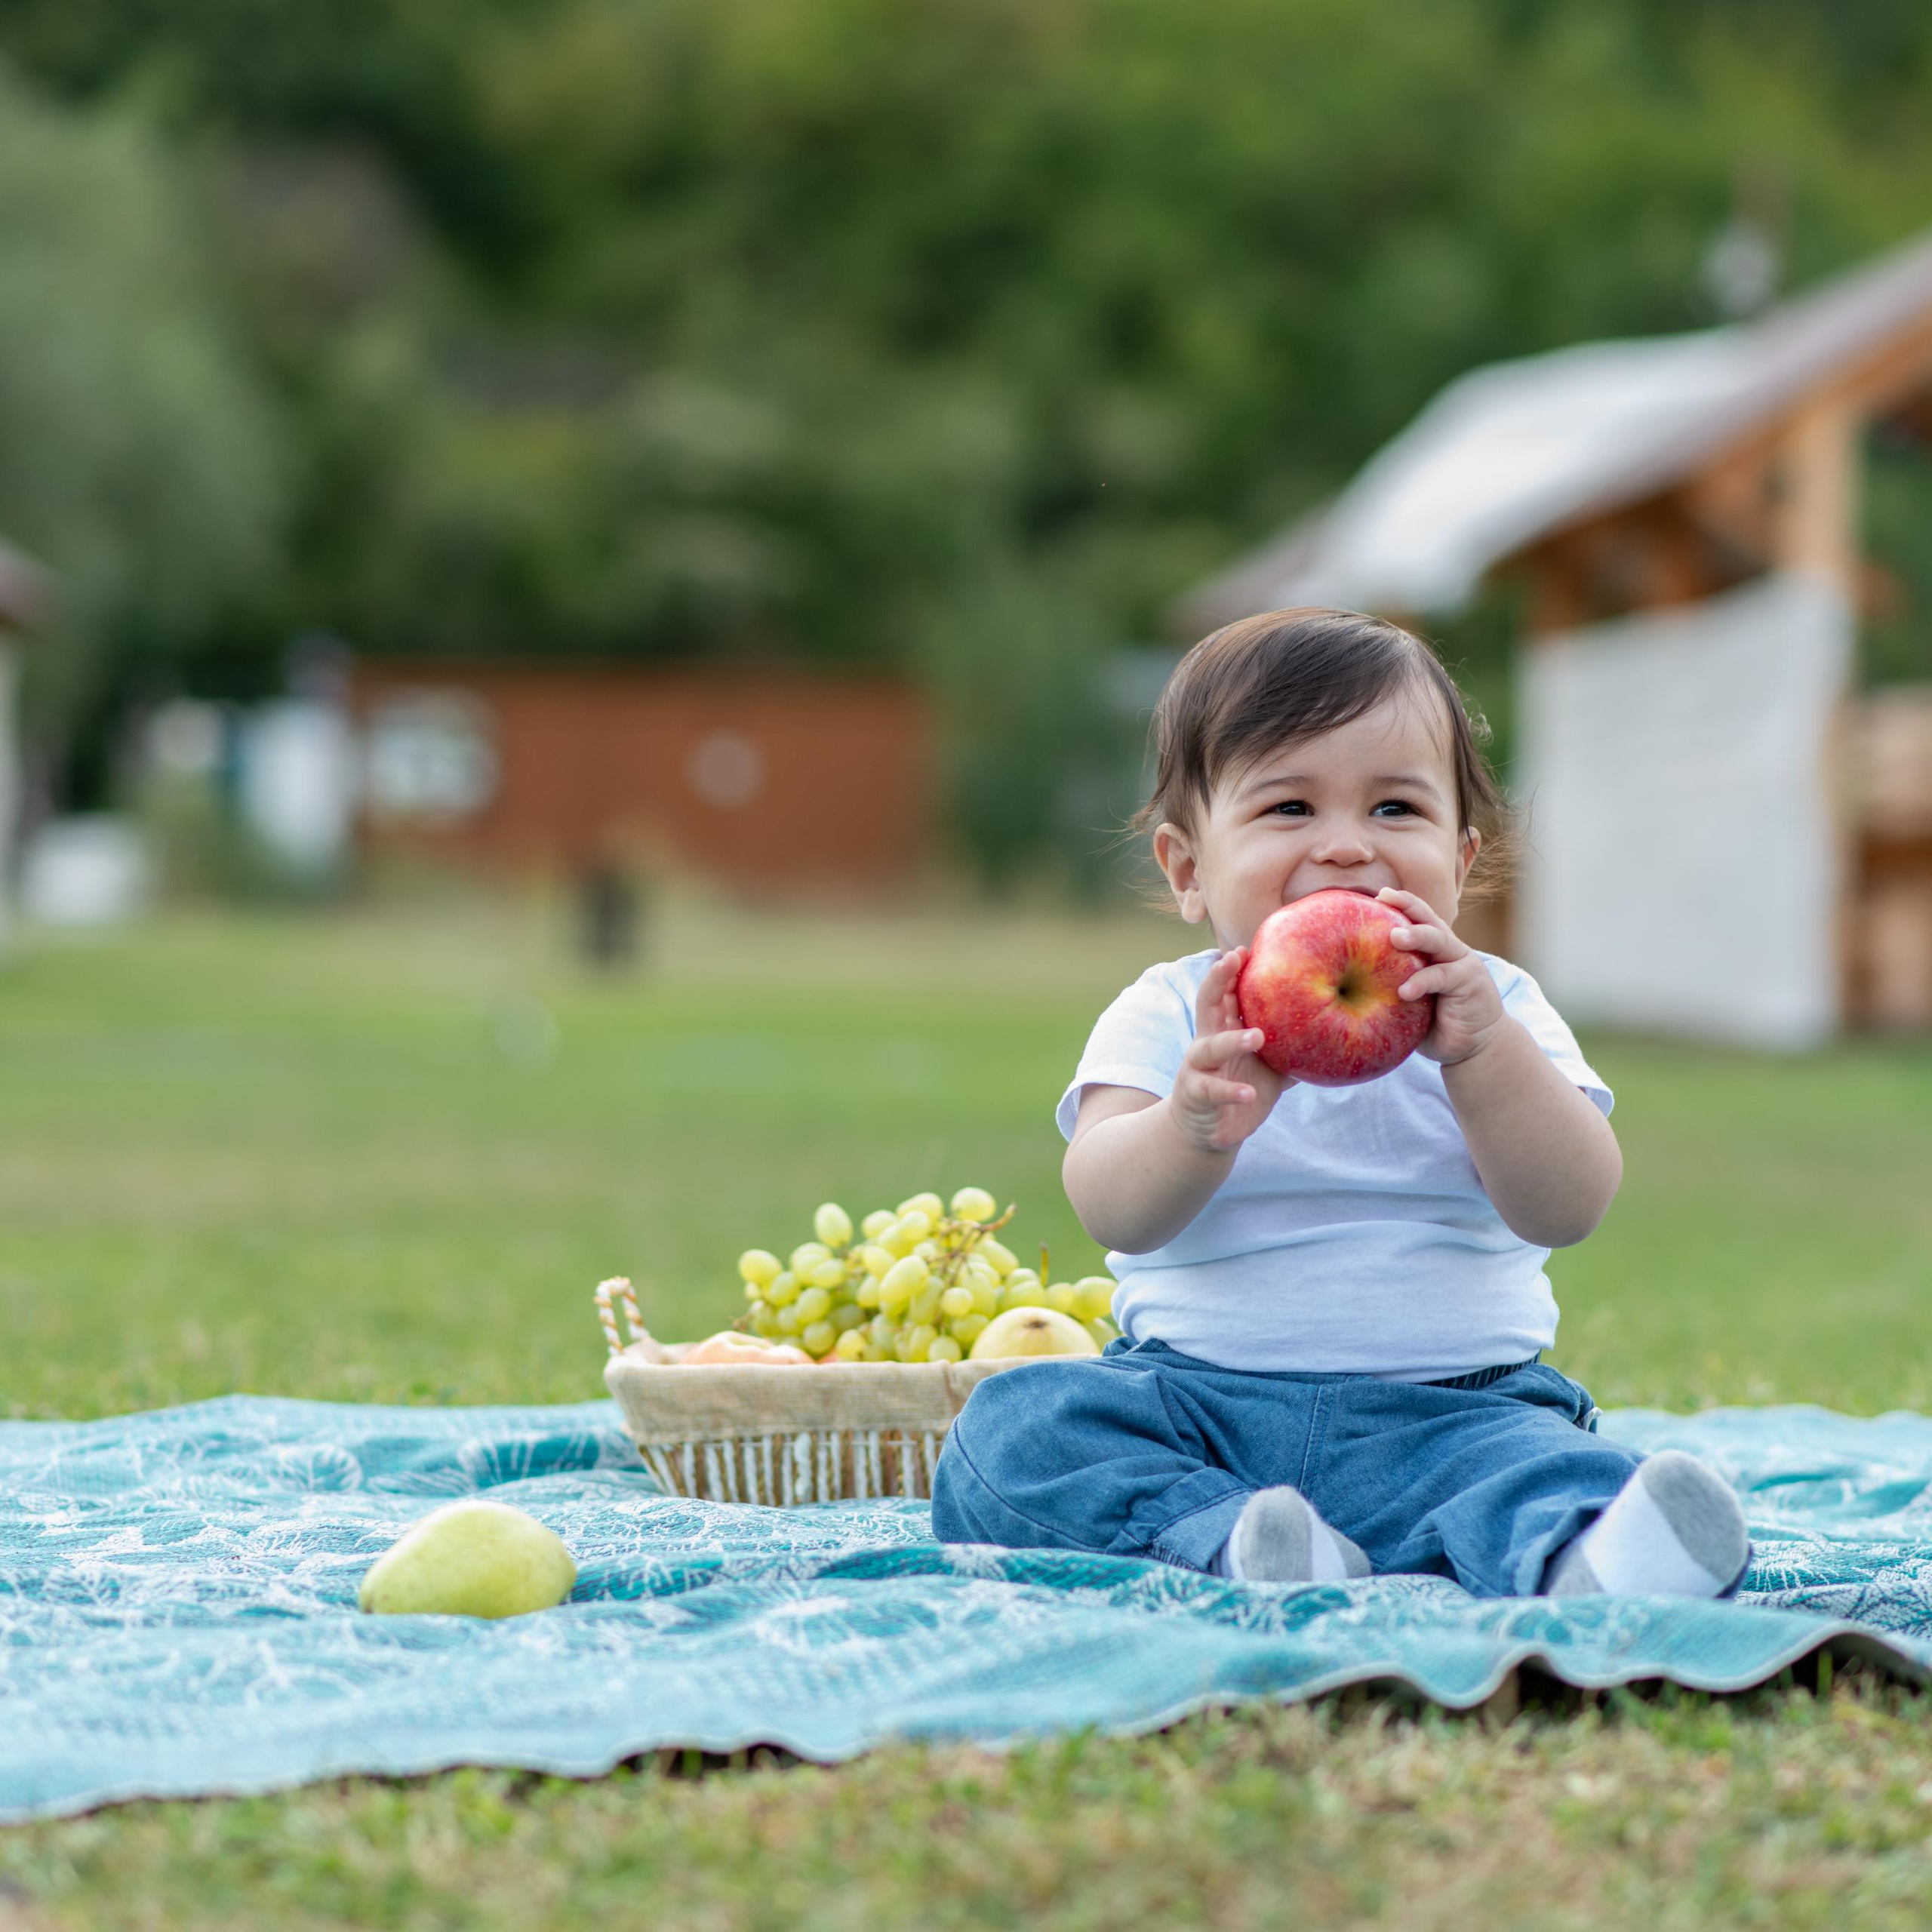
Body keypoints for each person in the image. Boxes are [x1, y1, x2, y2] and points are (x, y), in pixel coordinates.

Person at [931, 608, 1750, 1597]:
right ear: (1189, 868)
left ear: (1459, 859)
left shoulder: (1499, 1009)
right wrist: (1192, 1128)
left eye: (1396, 810)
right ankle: (1237, 1540)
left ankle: (1595, 1558)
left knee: (1547, 1467)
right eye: (1289, 810)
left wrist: (1484, 1057)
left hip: (1453, 1418)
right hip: (1199, 1409)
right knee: (1013, 1435)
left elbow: (1570, 1205)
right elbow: (1112, 1208)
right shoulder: (1169, 1015)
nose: (1348, 848)